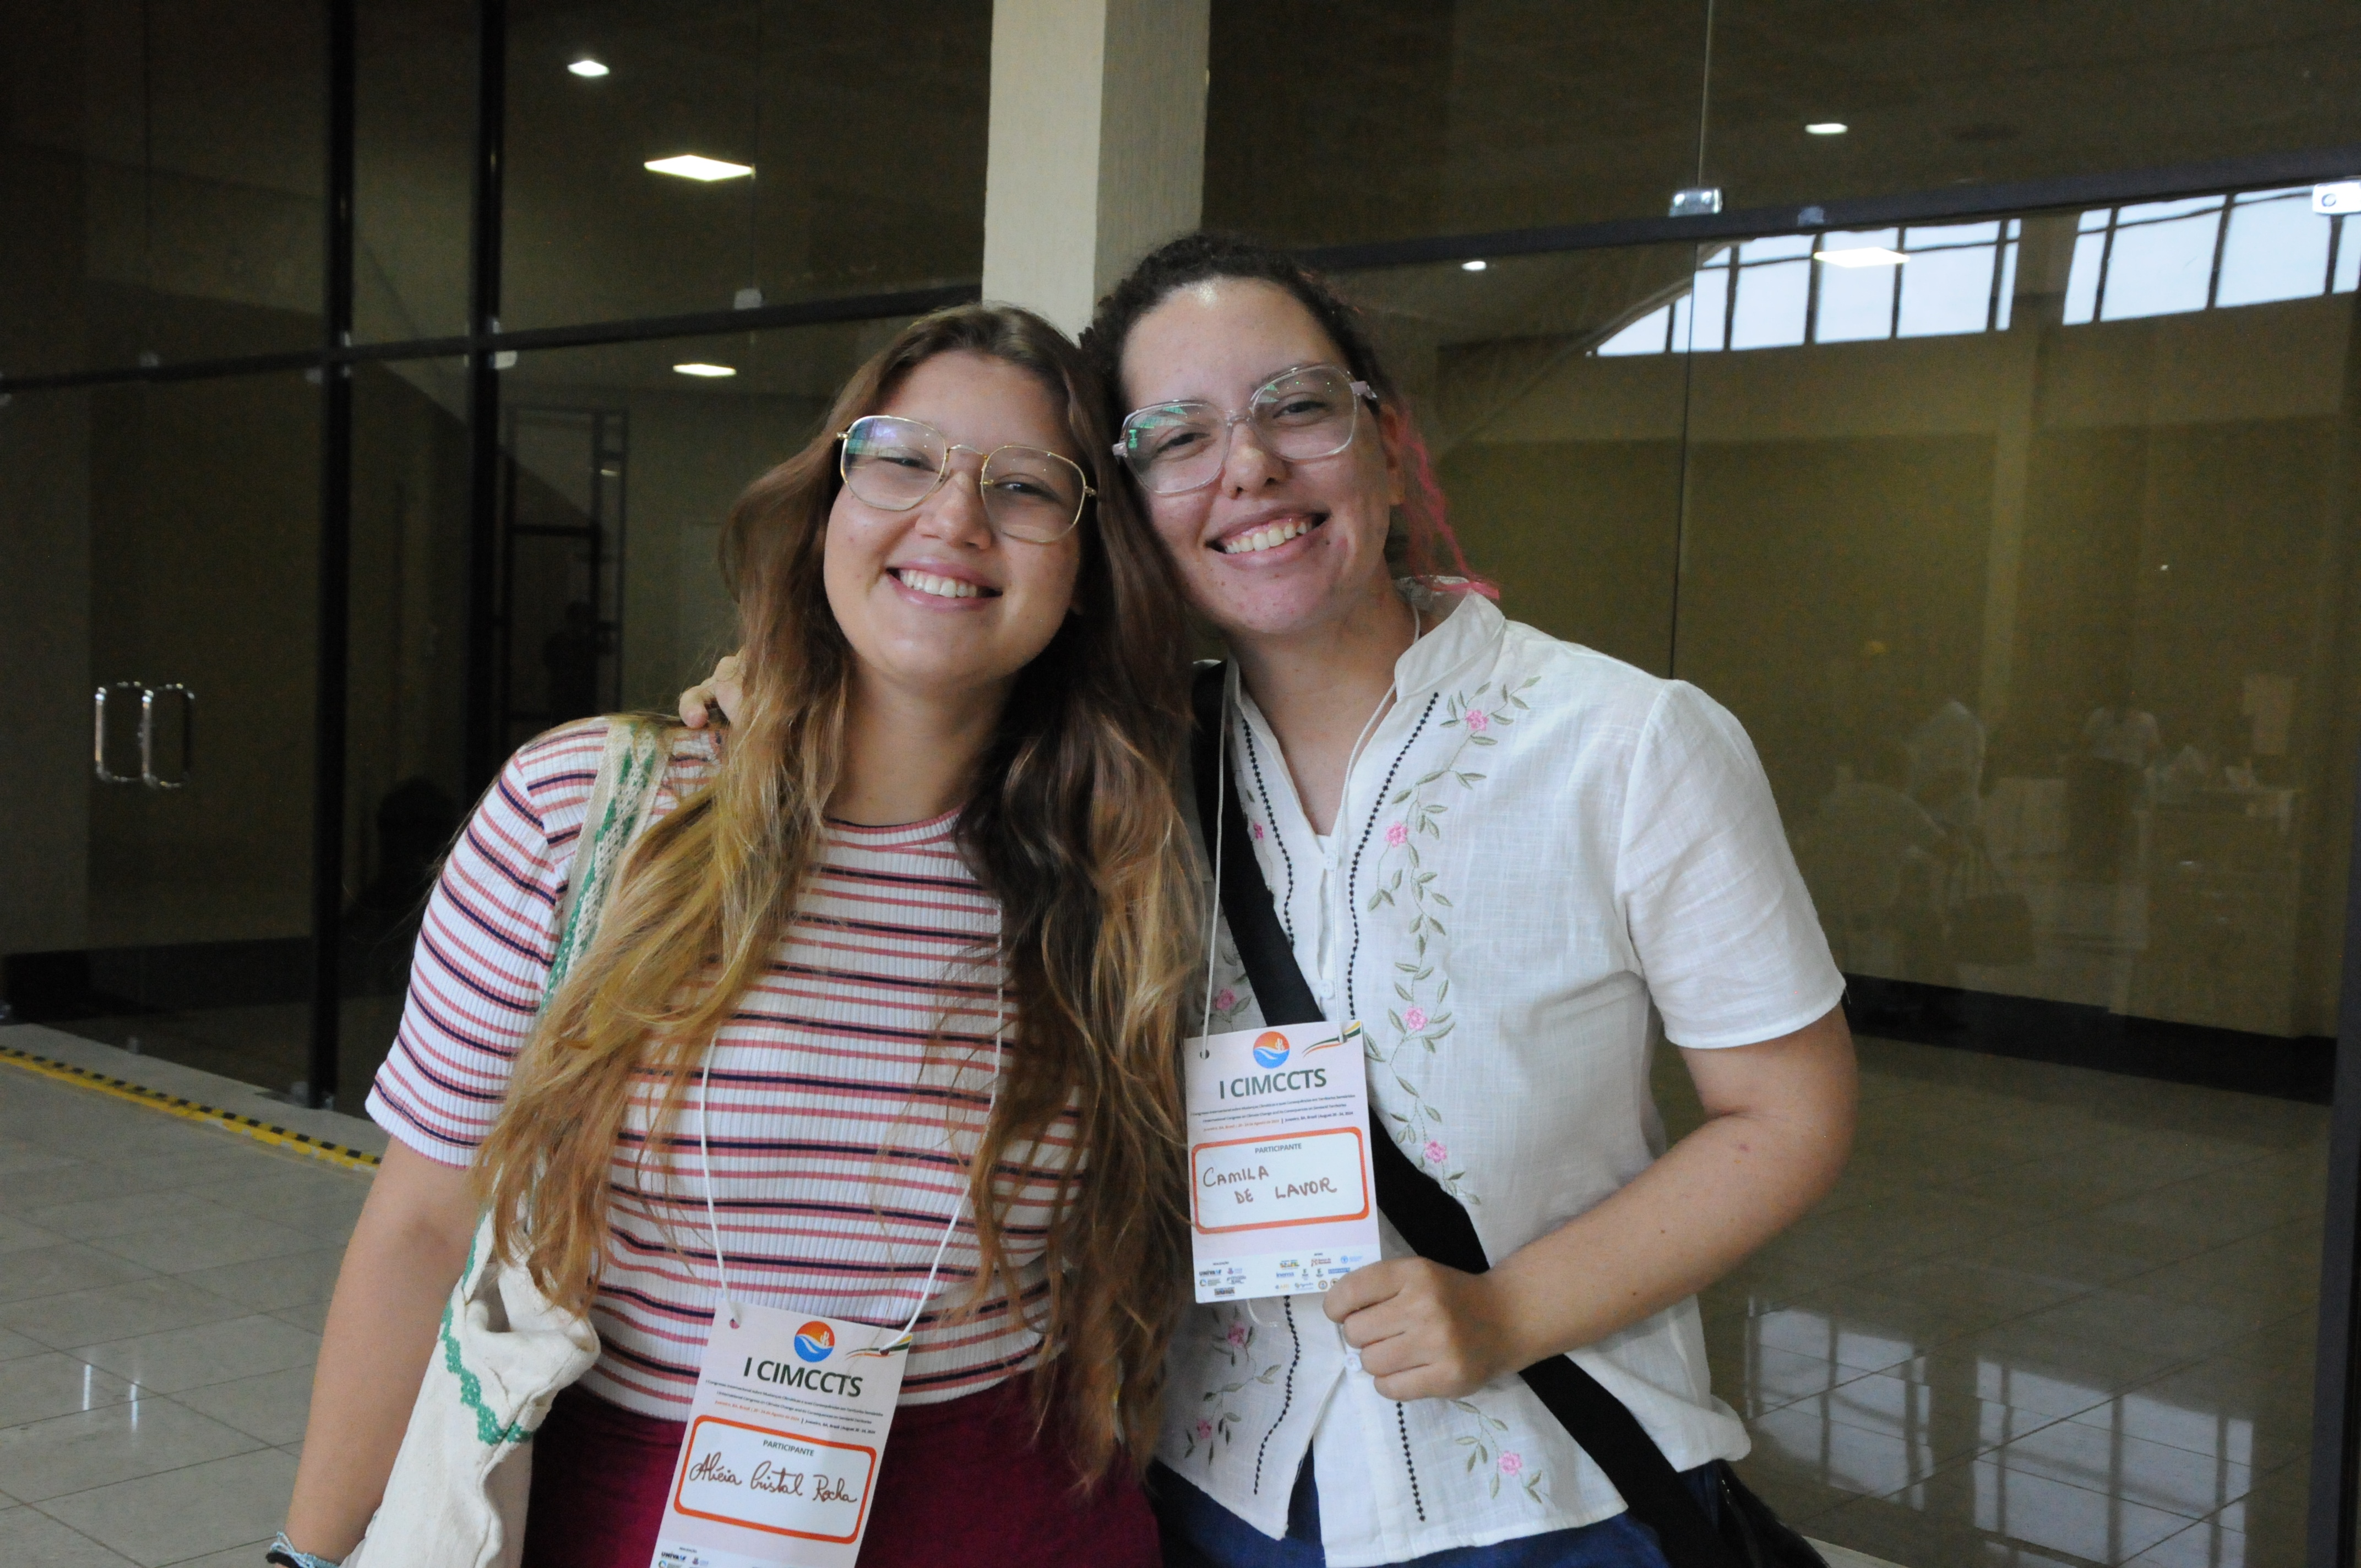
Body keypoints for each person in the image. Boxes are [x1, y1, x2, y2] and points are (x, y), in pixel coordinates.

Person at [688, 233, 1858, 1567]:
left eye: (1294, 406)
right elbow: (917, 691)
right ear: (1128, 509)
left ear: (1386, 441)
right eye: (1176, 436)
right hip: (1206, 1494)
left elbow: (1789, 1113)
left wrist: (1508, 1310)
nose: (1244, 466)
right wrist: (773, 697)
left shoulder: (1625, 742)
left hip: (1545, 1495)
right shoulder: (1117, 767)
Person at [278, 306, 1199, 1568]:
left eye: (1025, 486)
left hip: (1015, 1519)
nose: (953, 517)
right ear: (826, 506)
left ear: (1087, 563)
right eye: (901, 460)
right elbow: (422, 1226)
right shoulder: (585, 813)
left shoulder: (1127, 864)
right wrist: (310, 1554)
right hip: (628, 1513)